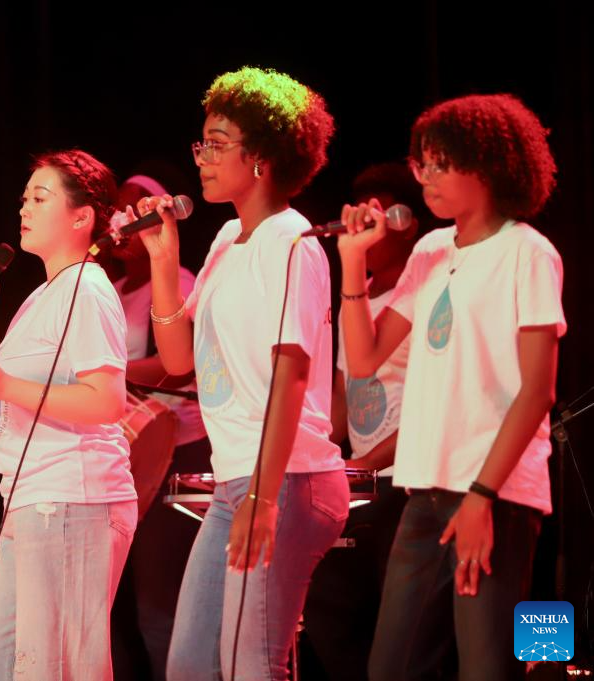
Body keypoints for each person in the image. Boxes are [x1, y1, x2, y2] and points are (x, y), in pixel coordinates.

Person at [338, 94, 564, 681]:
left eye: (441, 164)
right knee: (392, 666)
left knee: (486, 666)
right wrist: (352, 262)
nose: (427, 178)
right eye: (423, 164)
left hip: (494, 495)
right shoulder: (430, 250)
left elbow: (537, 391)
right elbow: (363, 359)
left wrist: (482, 497)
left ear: (487, 166)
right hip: (425, 489)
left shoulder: (527, 253)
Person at [136, 66, 348, 680]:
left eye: (217, 143)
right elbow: (179, 361)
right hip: (237, 481)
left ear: (260, 157)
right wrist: (164, 260)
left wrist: (263, 493)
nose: (202, 158)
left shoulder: (293, 242)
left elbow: (291, 375)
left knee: (251, 664)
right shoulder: (229, 238)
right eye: (201, 143)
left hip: (288, 479)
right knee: (191, 665)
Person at [0, 149, 137, 681]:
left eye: (40, 198)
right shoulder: (42, 296)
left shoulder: (88, 288)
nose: (25, 208)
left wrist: (6, 385)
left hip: (73, 496)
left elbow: (106, 401)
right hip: (29, 498)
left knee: (56, 669)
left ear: (81, 217)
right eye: (24, 199)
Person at [301, 162, 455, 680]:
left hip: (405, 479)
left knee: (404, 634)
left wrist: (365, 462)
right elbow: (344, 392)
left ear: (406, 222)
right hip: (363, 482)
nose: (362, 225)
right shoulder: (357, 294)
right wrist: (317, 453)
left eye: (376, 215)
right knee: (330, 613)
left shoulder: (430, 284)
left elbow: (438, 399)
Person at [107, 173, 210, 681]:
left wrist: (109, 374)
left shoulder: (178, 281)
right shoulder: (110, 288)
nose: (121, 222)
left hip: (178, 450)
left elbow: (179, 364)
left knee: (158, 599)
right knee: (117, 600)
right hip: (126, 452)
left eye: (133, 211)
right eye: (118, 212)